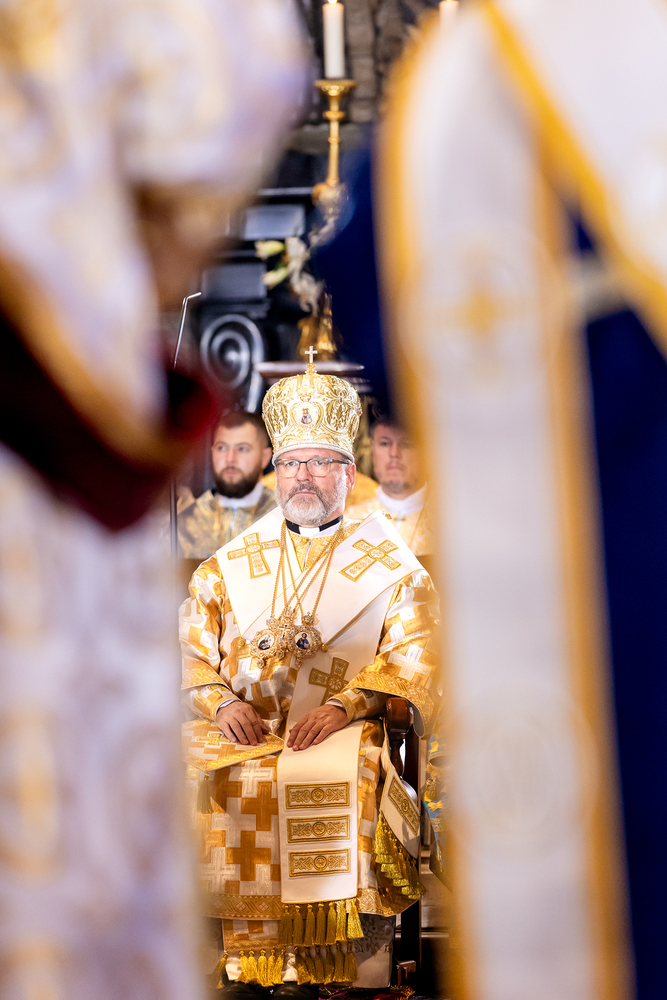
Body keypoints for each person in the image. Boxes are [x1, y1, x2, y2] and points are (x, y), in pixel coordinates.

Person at [180, 361, 438, 994]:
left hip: (339, 730)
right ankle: (231, 966)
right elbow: (187, 652)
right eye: (292, 463)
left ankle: (338, 966)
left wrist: (347, 706)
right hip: (240, 730)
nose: (303, 475)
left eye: (320, 462)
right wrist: (219, 704)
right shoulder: (227, 566)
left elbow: (416, 653)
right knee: (184, 774)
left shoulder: (392, 567)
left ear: (348, 474)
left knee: (347, 776)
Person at [178, 412, 276, 560]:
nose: (230, 459)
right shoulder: (185, 522)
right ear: (212, 453)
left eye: (242, 449)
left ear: (265, 457)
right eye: (222, 448)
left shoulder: (285, 518)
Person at [346, 419, 433, 558]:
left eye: (407, 444)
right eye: (385, 443)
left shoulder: (451, 521)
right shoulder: (348, 522)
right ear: (372, 449)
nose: (394, 453)